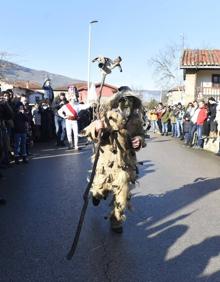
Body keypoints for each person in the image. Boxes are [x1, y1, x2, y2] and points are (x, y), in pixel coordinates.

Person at [82, 86, 146, 233]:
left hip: (125, 164)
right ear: (118, 101)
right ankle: (97, 195)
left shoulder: (136, 121)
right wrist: (97, 128)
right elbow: (90, 130)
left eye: (130, 101)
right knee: (100, 189)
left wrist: (139, 140)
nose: (127, 104)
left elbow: (141, 135)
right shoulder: (107, 116)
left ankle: (116, 220)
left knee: (122, 193)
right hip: (106, 162)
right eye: (124, 100)